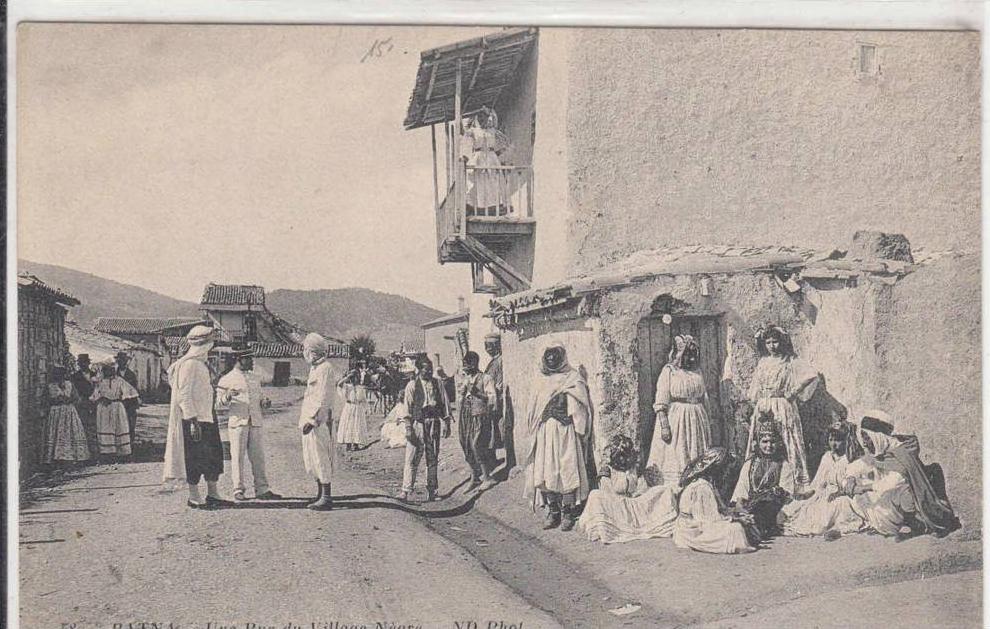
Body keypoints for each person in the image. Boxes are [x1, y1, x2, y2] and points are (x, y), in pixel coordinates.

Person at [840, 411, 960, 540]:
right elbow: (861, 464)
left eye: (867, 437)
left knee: (898, 491)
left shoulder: (901, 452)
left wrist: (863, 488)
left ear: (877, 436)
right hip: (894, 500)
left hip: (917, 501)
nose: (864, 443)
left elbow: (895, 481)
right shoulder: (882, 450)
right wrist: (851, 478)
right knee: (859, 494)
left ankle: (917, 525)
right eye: (863, 438)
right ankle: (881, 524)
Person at [523, 344, 595, 532]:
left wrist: (569, 403)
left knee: (567, 468)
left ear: (562, 357)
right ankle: (552, 511)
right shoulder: (541, 380)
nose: (551, 360)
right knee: (547, 470)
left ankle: (568, 512)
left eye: (555, 356)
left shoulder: (573, 378)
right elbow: (534, 408)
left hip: (565, 431)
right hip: (546, 431)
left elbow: (581, 405)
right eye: (548, 356)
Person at [746, 324, 820, 495]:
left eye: (775, 342)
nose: (772, 346)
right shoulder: (763, 362)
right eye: (769, 342)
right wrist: (756, 405)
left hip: (782, 406)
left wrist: (792, 392)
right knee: (764, 439)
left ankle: (794, 483)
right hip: (764, 405)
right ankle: (761, 480)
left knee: (787, 441)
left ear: (782, 342)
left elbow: (811, 375)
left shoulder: (789, 361)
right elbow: (754, 389)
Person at [162, 325, 225, 509]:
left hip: (207, 417)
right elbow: (184, 395)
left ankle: (213, 494)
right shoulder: (189, 365)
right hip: (194, 420)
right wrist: (192, 421)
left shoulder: (201, 364)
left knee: (213, 457)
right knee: (195, 458)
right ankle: (194, 496)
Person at [578, 434, 678, 544]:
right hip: (617, 506)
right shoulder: (607, 470)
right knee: (595, 495)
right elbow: (607, 493)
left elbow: (642, 487)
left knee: (664, 490)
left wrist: (638, 493)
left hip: (634, 503)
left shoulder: (633, 468)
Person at [779, 422, 867, 539]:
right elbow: (818, 482)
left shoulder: (850, 458)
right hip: (827, 493)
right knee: (810, 507)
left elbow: (856, 483)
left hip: (846, 495)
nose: (833, 444)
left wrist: (840, 492)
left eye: (838, 440)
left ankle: (838, 529)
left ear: (846, 440)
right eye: (831, 440)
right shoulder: (827, 457)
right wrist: (807, 494)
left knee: (841, 504)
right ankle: (826, 527)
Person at [216, 347, 282, 501]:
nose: (252, 361)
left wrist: (264, 402)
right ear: (239, 360)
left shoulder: (254, 378)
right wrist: (227, 396)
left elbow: (259, 398)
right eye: (249, 359)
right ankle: (238, 490)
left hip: (255, 421)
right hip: (238, 422)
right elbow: (218, 404)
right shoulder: (226, 379)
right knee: (237, 457)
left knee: (258, 457)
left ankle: (262, 489)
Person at [646, 335, 712, 488]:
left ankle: (695, 485)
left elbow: (704, 398)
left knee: (696, 454)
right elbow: (661, 400)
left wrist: (707, 421)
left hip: (697, 419)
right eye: (686, 355)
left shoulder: (697, 372)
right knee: (677, 454)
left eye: (692, 355)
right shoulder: (669, 371)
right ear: (677, 354)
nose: (690, 359)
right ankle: (676, 487)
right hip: (677, 419)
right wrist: (664, 426)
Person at [673, 447, 758, 554]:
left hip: (697, 524)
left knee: (744, 525)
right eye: (725, 468)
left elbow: (720, 509)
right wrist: (736, 520)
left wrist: (738, 515)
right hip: (692, 530)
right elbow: (708, 521)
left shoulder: (708, 484)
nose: (727, 472)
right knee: (735, 529)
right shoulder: (702, 487)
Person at [396, 356, 453, 502]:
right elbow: (407, 409)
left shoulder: (438, 383)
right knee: (412, 458)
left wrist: (447, 423)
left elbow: (445, 404)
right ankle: (405, 490)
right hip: (418, 424)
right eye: (425, 369)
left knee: (432, 458)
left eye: (430, 369)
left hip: (433, 423)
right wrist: (409, 429)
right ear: (419, 369)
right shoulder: (412, 385)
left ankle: (432, 491)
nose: (428, 372)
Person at [730, 417, 797, 538]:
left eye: (772, 441)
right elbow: (742, 490)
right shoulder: (750, 464)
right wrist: (740, 507)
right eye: (764, 442)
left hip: (774, 507)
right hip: (750, 505)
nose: (769, 445)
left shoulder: (783, 464)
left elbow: (787, 494)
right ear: (758, 443)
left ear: (778, 442)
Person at [299, 333, 338, 511]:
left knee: (321, 457)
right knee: (312, 458)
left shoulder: (325, 368)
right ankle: (320, 493)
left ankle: (327, 497)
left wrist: (314, 420)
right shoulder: (315, 368)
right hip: (308, 420)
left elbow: (324, 398)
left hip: (318, 422)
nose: (304, 353)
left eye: (306, 349)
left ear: (313, 351)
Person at [457, 351, 498, 493]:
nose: (465, 367)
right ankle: (474, 477)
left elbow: (491, 399)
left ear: (474, 363)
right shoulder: (465, 378)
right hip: (466, 414)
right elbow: (460, 395)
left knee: (477, 444)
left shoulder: (486, 378)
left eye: (467, 364)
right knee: (466, 444)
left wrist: (476, 392)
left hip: (480, 415)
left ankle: (488, 478)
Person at [461, 106, 513, 216]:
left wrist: (499, 152)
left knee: (493, 182)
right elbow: (463, 132)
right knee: (477, 181)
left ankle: (496, 206)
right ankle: (476, 206)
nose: (481, 119)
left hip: (491, 157)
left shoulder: (492, 131)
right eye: (479, 117)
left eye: (483, 117)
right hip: (478, 157)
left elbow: (505, 141)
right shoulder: (474, 131)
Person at [43, 365, 91, 465]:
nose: (59, 376)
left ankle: (70, 456)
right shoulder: (50, 386)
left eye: (61, 374)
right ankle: (56, 457)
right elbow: (45, 400)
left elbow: (77, 398)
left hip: (69, 411)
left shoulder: (70, 384)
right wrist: (55, 401)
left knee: (70, 432)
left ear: (64, 375)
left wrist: (69, 400)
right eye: (57, 374)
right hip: (56, 412)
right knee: (56, 433)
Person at [91, 362, 138, 460]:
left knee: (118, 426)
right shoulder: (100, 382)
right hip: (104, 407)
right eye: (107, 369)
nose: (110, 371)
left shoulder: (120, 381)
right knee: (105, 427)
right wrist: (101, 398)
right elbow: (95, 395)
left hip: (117, 406)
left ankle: (121, 451)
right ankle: (106, 452)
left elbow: (130, 392)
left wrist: (122, 397)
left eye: (112, 369)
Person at [484, 333, 514, 470]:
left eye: (490, 346)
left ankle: (509, 460)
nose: (487, 349)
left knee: (501, 430)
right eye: (486, 346)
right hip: (491, 399)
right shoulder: (493, 361)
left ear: (497, 346)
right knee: (492, 431)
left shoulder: (501, 361)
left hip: (498, 400)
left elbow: (500, 383)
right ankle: (493, 460)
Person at [336, 361, 373, 451]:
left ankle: (356, 444)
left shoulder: (360, 388)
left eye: (357, 377)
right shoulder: (347, 387)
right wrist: (347, 377)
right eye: (354, 378)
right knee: (348, 425)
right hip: (349, 407)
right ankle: (348, 444)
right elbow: (339, 385)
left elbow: (364, 400)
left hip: (358, 408)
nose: (355, 379)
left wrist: (368, 409)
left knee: (357, 425)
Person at [71, 354, 99, 458]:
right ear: (79, 364)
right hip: (82, 403)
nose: (83, 365)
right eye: (81, 363)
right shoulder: (75, 376)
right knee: (82, 427)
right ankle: (83, 453)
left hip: (94, 404)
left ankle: (95, 452)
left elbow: (98, 388)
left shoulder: (95, 375)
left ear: (88, 363)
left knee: (94, 427)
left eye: (85, 363)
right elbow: (74, 392)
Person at [115, 351, 141, 449]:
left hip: (130, 404)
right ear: (117, 361)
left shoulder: (131, 375)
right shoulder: (114, 374)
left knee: (130, 424)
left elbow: (134, 390)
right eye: (120, 360)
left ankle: (131, 445)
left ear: (126, 362)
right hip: (118, 404)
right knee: (119, 425)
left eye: (124, 360)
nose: (122, 362)